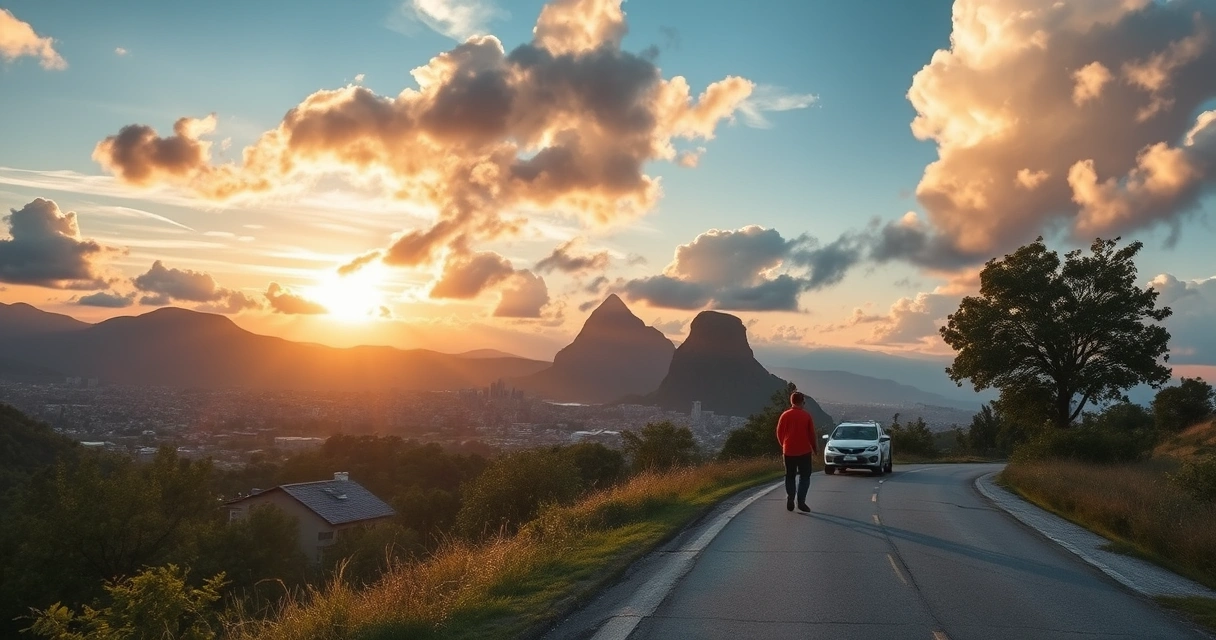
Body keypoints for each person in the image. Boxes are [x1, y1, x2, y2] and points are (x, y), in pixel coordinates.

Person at [775, 391, 817, 512]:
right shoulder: (806, 416)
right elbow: (811, 435)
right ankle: (801, 502)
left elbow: (779, 433)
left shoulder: (785, 415)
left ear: (791, 401)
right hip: (804, 451)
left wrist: (784, 445)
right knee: (805, 476)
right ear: (802, 401)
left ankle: (790, 496)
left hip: (788, 451)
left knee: (790, 475)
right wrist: (814, 448)